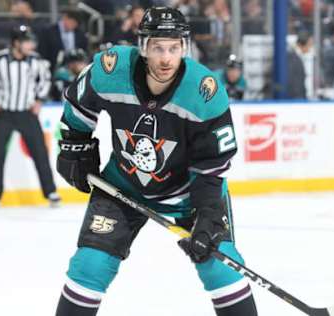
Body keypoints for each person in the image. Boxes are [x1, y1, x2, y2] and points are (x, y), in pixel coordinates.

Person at [55, 7, 258, 316]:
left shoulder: (204, 92)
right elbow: (77, 106)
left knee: (220, 268)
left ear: (184, 48)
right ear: (144, 47)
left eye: (174, 48)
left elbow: (212, 165)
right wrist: (75, 147)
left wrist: (207, 214)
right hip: (122, 184)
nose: (166, 58)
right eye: (158, 48)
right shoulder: (112, 69)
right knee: (90, 265)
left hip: (187, 193)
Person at [0, 25, 61, 208]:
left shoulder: (35, 60)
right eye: (27, 41)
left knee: (40, 152)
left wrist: (39, 100)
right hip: (4, 113)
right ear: (16, 43)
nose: (31, 45)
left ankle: (51, 192)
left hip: (27, 113)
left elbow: (46, 79)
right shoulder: (0, 59)